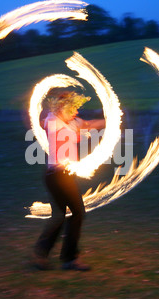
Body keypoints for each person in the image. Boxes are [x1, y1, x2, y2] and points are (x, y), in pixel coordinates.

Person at [33, 89, 105, 271]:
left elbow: (89, 124)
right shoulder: (52, 121)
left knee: (62, 214)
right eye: (73, 108)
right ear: (61, 107)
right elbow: (43, 120)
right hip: (57, 175)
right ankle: (69, 259)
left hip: (66, 175)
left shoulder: (73, 123)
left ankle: (42, 253)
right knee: (77, 213)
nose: (77, 112)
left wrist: (111, 121)